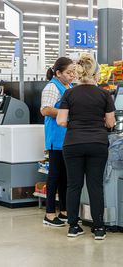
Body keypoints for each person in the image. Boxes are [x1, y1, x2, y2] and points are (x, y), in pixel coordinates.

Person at [57, 53, 115, 240]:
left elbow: (61, 120)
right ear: (96, 74)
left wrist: (74, 123)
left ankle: (73, 227)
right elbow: (111, 123)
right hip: (97, 143)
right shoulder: (105, 94)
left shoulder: (69, 93)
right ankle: (99, 228)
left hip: (73, 143)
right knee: (95, 185)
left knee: (73, 185)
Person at [40, 57, 75, 227]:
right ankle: (49, 214)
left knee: (65, 177)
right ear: (58, 72)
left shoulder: (70, 87)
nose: (72, 75)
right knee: (54, 175)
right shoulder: (52, 87)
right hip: (56, 138)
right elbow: (46, 110)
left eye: (74, 72)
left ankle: (64, 211)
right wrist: (67, 113)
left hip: (68, 138)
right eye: (69, 72)